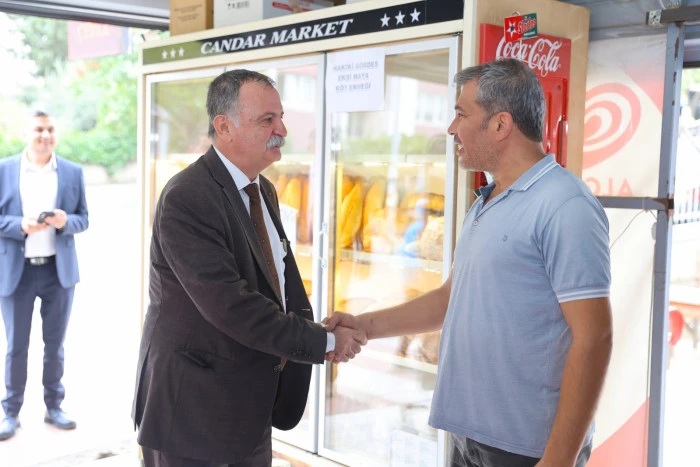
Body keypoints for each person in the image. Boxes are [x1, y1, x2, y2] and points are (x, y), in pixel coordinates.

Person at [325, 58, 613, 467]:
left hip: (528, 447)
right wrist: (364, 326)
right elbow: (451, 300)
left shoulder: (566, 205)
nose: (451, 128)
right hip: (470, 436)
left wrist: (559, 460)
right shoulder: (487, 201)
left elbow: (595, 337)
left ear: (500, 124)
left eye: (461, 114)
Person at [132, 69, 364, 466]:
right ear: (224, 127)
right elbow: (231, 305)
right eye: (267, 120)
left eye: (281, 117)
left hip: (249, 409)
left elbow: (279, 283)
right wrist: (324, 341)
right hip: (192, 415)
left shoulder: (262, 188)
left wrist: (322, 330)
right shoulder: (187, 197)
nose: (282, 130)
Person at [0, 110, 89, 440]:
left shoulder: (72, 171)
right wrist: (19, 225)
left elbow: (83, 218)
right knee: (16, 346)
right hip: (17, 272)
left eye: (51, 129)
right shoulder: (4, 170)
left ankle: (54, 407)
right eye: (39, 129)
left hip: (58, 272)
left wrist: (66, 221)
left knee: (55, 346)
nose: (46, 135)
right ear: (27, 132)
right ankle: (10, 412)